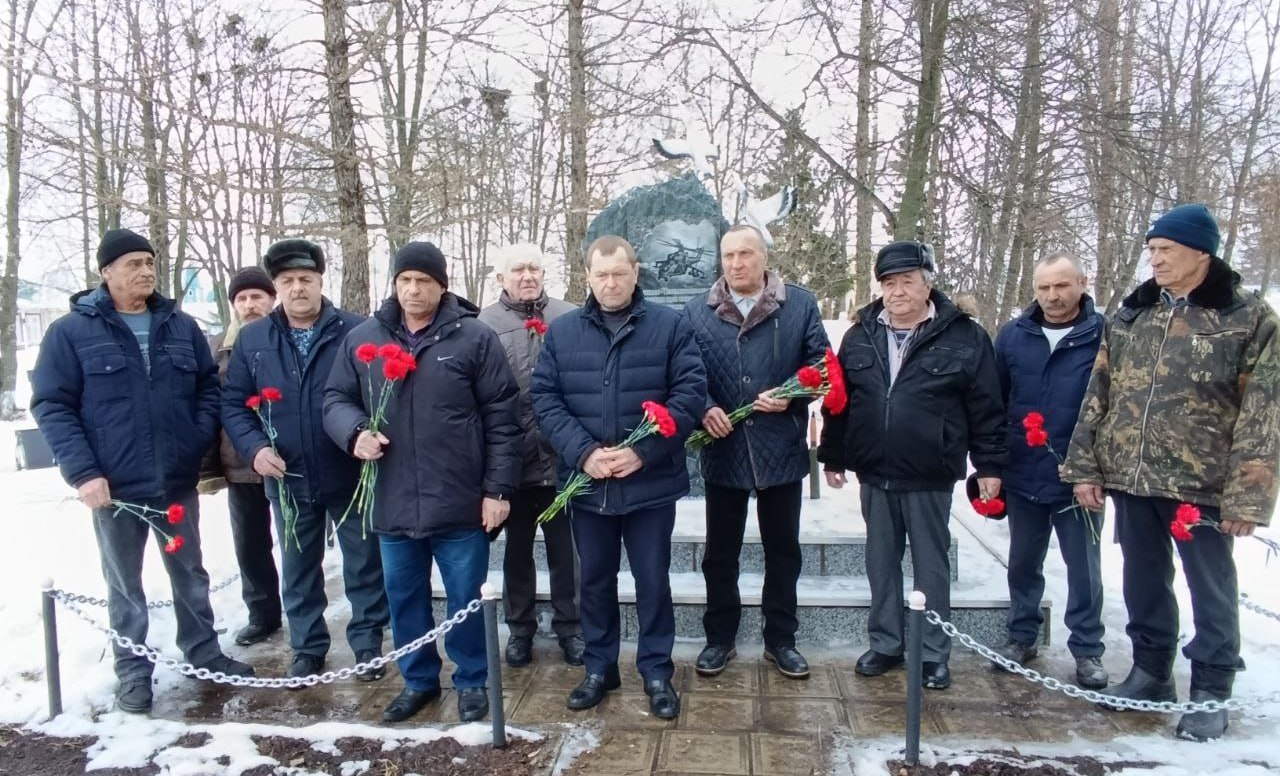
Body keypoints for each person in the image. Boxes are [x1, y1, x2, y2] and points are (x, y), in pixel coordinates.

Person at [1062, 204, 1279, 741]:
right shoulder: (1136, 312)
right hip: (1133, 474)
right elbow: (1100, 393)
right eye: (1152, 250)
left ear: (1201, 253)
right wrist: (1085, 466)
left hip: (1202, 481)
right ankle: (1151, 672)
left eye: (1166, 250)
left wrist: (1248, 497)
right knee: (1141, 577)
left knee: (1212, 586)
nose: (1155, 259)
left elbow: (1265, 411)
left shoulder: (1248, 317)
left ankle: (1210, 687)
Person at [31, 227, 255, 714]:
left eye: (150, 262)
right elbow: (53, 406)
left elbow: (207, 390)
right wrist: (84, 473)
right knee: (125, 585)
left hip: (175, 480)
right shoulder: (72, 332)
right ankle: (133, 673)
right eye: (133, 263)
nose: (145, 271)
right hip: (113, 488)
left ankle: (205, 654)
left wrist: (194, 441)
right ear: (106, 272)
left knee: (190, 574)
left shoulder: (180, 327)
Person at [324, 241, 520, 723]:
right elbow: (334, 398)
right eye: (405, 280)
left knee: (465, 598)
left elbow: (503, 416)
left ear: (442, 286)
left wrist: (497, 491)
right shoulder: (364, 338)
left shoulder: (473, 338)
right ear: (394, 284)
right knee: (405, 599)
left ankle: (473, 679)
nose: (413, 290)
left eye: (424, 281)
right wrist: (354, 434)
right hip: (393, 501)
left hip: (458, 501)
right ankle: (418, 680)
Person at [530, 235, 707, 720]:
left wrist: (643, 452)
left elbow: (690, 395)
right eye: (601, 274)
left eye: (619, 273)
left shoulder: (671, 327)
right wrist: (583, 453)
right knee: (594, 583)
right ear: (587, 276)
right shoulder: (562, 333)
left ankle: (656, 671)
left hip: (649, 487)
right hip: (589, 486)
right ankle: (599, 668)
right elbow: (545, 399)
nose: (610, 283)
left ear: (635, 273)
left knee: (653, 582)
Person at [817, 240, 1006, 691]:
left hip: (929, 472)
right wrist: (833, 454)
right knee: (880, 562)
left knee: (930, 565)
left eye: (907, 281)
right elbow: (841, 402)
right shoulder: (860, 334)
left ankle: (933, 652)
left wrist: (991, 465)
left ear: (927, 284)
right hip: (875, 472)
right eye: (888, 283)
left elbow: (987, 408)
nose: (897, 291)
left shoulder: (965, 336)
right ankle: (885, 643)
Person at [221, 240, 389, 684]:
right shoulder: (254, 339)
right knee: (298, 565)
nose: (298, 289)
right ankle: (307, 646)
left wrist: (362, 436)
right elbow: (234, 404)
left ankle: (368, 641)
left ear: (320, 282)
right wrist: (255, 448)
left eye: (306, 280)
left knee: (363, 560)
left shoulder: (355, 331)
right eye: (288, 282)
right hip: (286, 472)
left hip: (347, 470)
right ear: (277, 288)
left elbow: (372, 393)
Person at [682, 225, 829, 680]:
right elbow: (684, 374)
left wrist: (794, 397)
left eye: (745, 253)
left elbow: (823, 368)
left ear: (765, 257)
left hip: (780, 449)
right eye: (728, 255)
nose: (735, 263)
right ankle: (719, 639)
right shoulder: (696, 311)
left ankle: (781, 640)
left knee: (783, 551)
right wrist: (704, 407)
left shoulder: (799, 305)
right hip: (724, 451)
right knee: (719, 555)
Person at [992, 253, 1107, 689]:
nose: (1053, 296)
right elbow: (996, 400)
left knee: (1084, 569)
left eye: (1062, 286)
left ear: (1081, 282)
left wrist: (1092, 467)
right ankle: (1022, 636)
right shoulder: (1014, 336)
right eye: (1044, 288)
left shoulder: (1101, 335)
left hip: (1079, 477)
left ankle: (1087, 650)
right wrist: (995, 462)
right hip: (1023, 471)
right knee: (1023, 561)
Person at [477, 243, 584, 668]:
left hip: (563, 458)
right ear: (501, 277)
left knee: (567, 552)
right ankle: (520, 629)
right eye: (518, 269)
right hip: (512, 462)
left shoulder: (569, 316)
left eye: (534, 269)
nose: (527, 276)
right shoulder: (484, 324)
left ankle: (571, 628)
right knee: (517, 552)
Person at [210, 267, 283, 647]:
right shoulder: (218, 346)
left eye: (257, 297)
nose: (250, 305)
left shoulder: (286, 337)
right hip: (240, 463)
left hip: (287, 460)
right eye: (242, 298)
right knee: (250, 543)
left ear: (272, 299)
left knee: (299, 545)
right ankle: (262, 613)